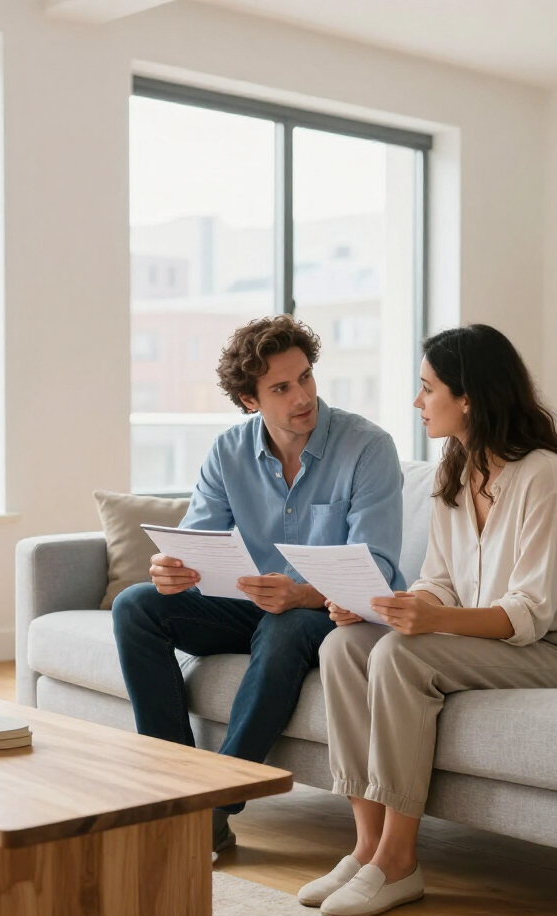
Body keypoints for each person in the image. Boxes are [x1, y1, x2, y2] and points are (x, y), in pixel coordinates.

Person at [298, 323, 557, 916]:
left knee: (400, 655)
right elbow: (439, 581)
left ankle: (399, 862)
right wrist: (389, 606)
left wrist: (424, 621)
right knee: (345, 644)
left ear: (468, 397)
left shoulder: (542, 475)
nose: (417, 403)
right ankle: (366, 846)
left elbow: (531, 613)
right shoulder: (458, 469)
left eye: (427, 389)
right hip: (494, 640)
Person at [113, 315, 404, 854]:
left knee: (285, 625)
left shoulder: (367, 447)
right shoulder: (228, 452)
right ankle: (175, 786)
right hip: (248, 604)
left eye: (306, 377)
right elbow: (197, 544)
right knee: (136, 605)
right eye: (281, 387)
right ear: (251, 401)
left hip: (327, 613)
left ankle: (214, 805)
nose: (302, 396)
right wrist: (173, 570)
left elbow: (379, 569)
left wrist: (302, 593)